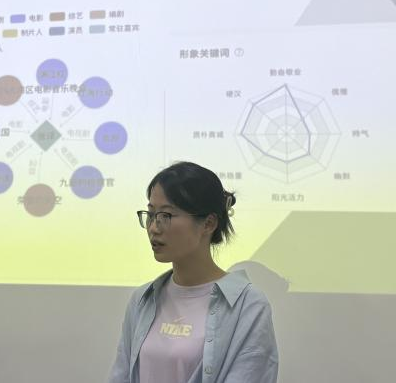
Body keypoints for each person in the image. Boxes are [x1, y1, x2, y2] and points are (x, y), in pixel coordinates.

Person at [108, 161, 278, 383]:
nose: (153, 228)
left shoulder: (248, 306)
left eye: (166, 216)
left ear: (208, 223)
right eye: (151, 214)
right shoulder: (142, 299)